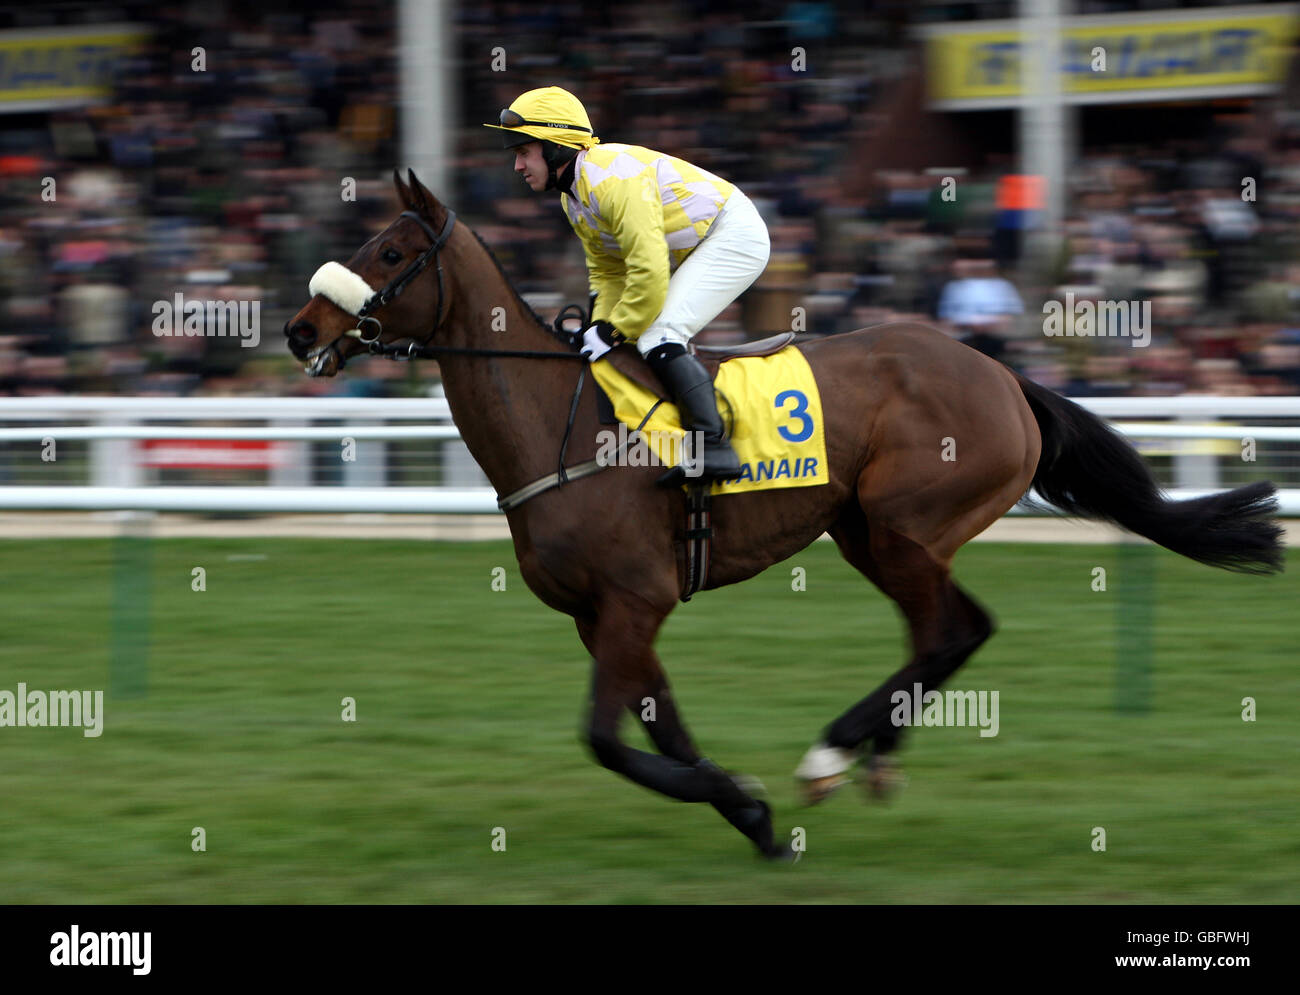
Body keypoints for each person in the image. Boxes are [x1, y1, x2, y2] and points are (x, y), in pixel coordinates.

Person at [486, 86, 771, 483]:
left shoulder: (611, 180)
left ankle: (715, 448)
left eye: (523, 152)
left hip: (733, 236)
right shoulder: (574, 199)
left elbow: (649, 271)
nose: (517, 166)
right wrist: (597, 329)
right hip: (699, 243)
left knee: (658, 334)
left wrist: (613, 329)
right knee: (628, 336)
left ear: (554, 146)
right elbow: (608, 274)